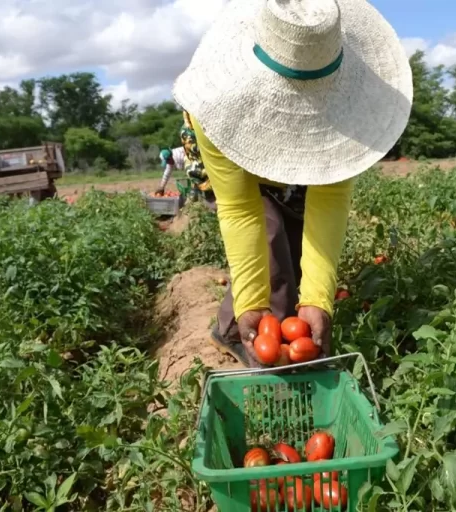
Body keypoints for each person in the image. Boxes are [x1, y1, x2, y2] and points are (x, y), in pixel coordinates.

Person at [172, 0, 413, 367]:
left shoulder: (345, 118)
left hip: (301, 167)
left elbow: (329, 198)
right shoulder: (216, 107)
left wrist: (318, 300)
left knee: (299, 253)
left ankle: (248, 326)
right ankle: (244, 338)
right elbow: (239, 209)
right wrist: (254, 305)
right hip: (228, 161)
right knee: (274, 262)